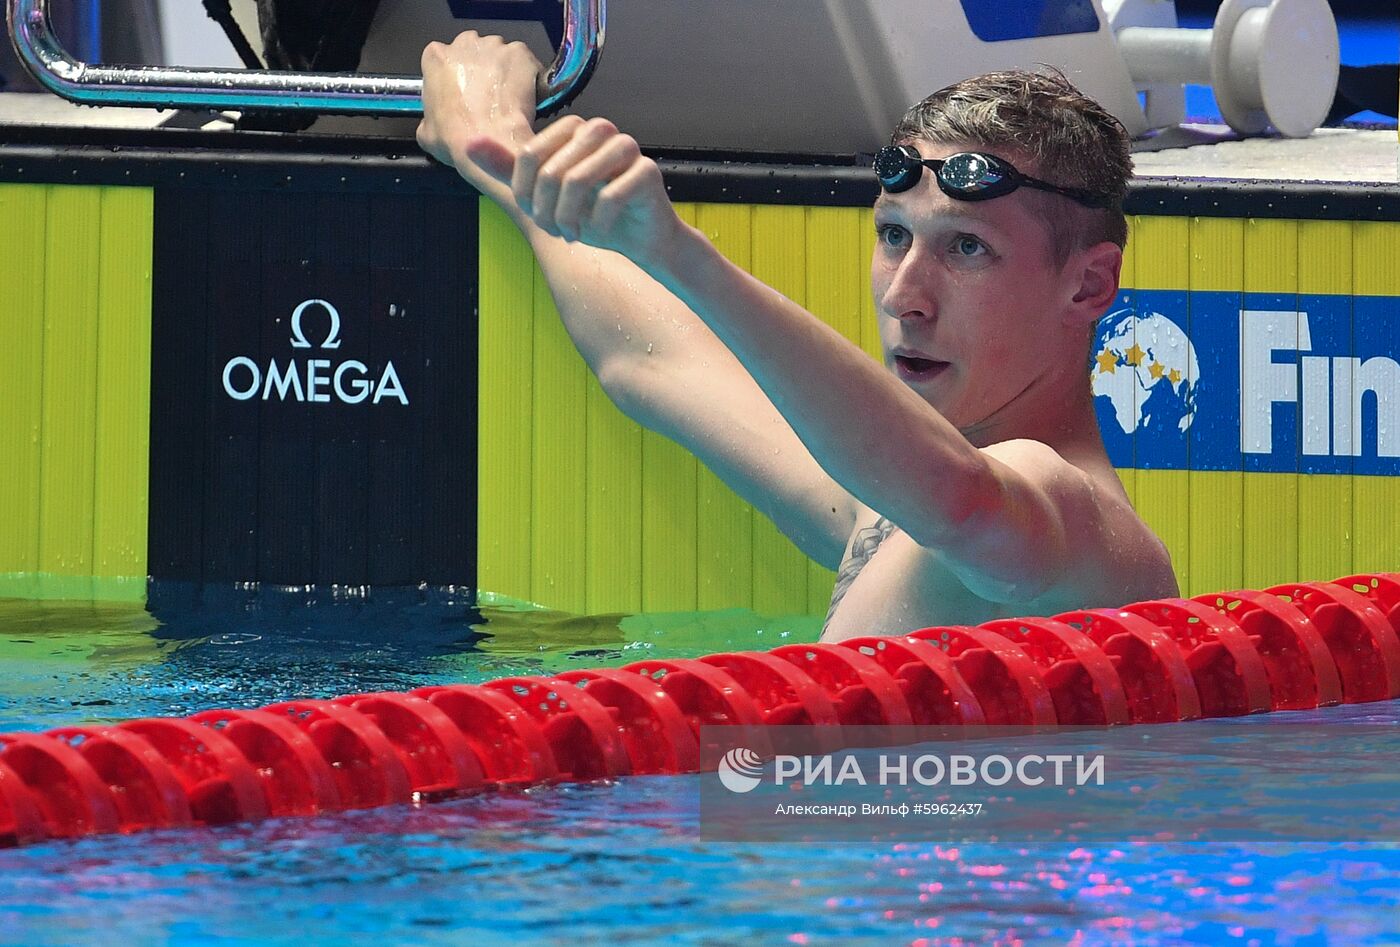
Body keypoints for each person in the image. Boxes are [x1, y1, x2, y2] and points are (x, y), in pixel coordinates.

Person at [416, 32, 1179, 642]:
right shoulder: (884, 512)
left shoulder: (1076, 524)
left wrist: (677, 251)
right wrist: (499, 147)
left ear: (1088, 285)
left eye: (967, 248)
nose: (906, 295)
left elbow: (964, 502)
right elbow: (651, 357)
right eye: (892, 235)